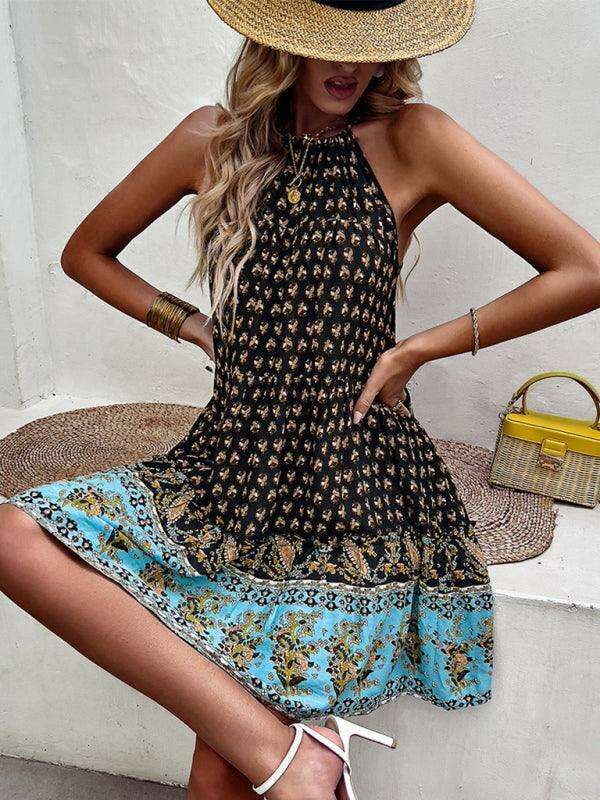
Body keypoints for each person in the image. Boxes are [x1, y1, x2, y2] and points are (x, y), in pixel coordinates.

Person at [2, 1, 600, 798]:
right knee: (13, 537)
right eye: (326, 43)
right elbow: (87, 253)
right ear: (281, 41)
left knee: (218, 775)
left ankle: (293, 762)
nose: (348, 64)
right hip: (229, 464)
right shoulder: (211, 141)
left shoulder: (415, 140)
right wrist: (196, 328)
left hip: (350, 471)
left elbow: (583, 269)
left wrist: (419, 348)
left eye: (365, 45)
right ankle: (300, 759)